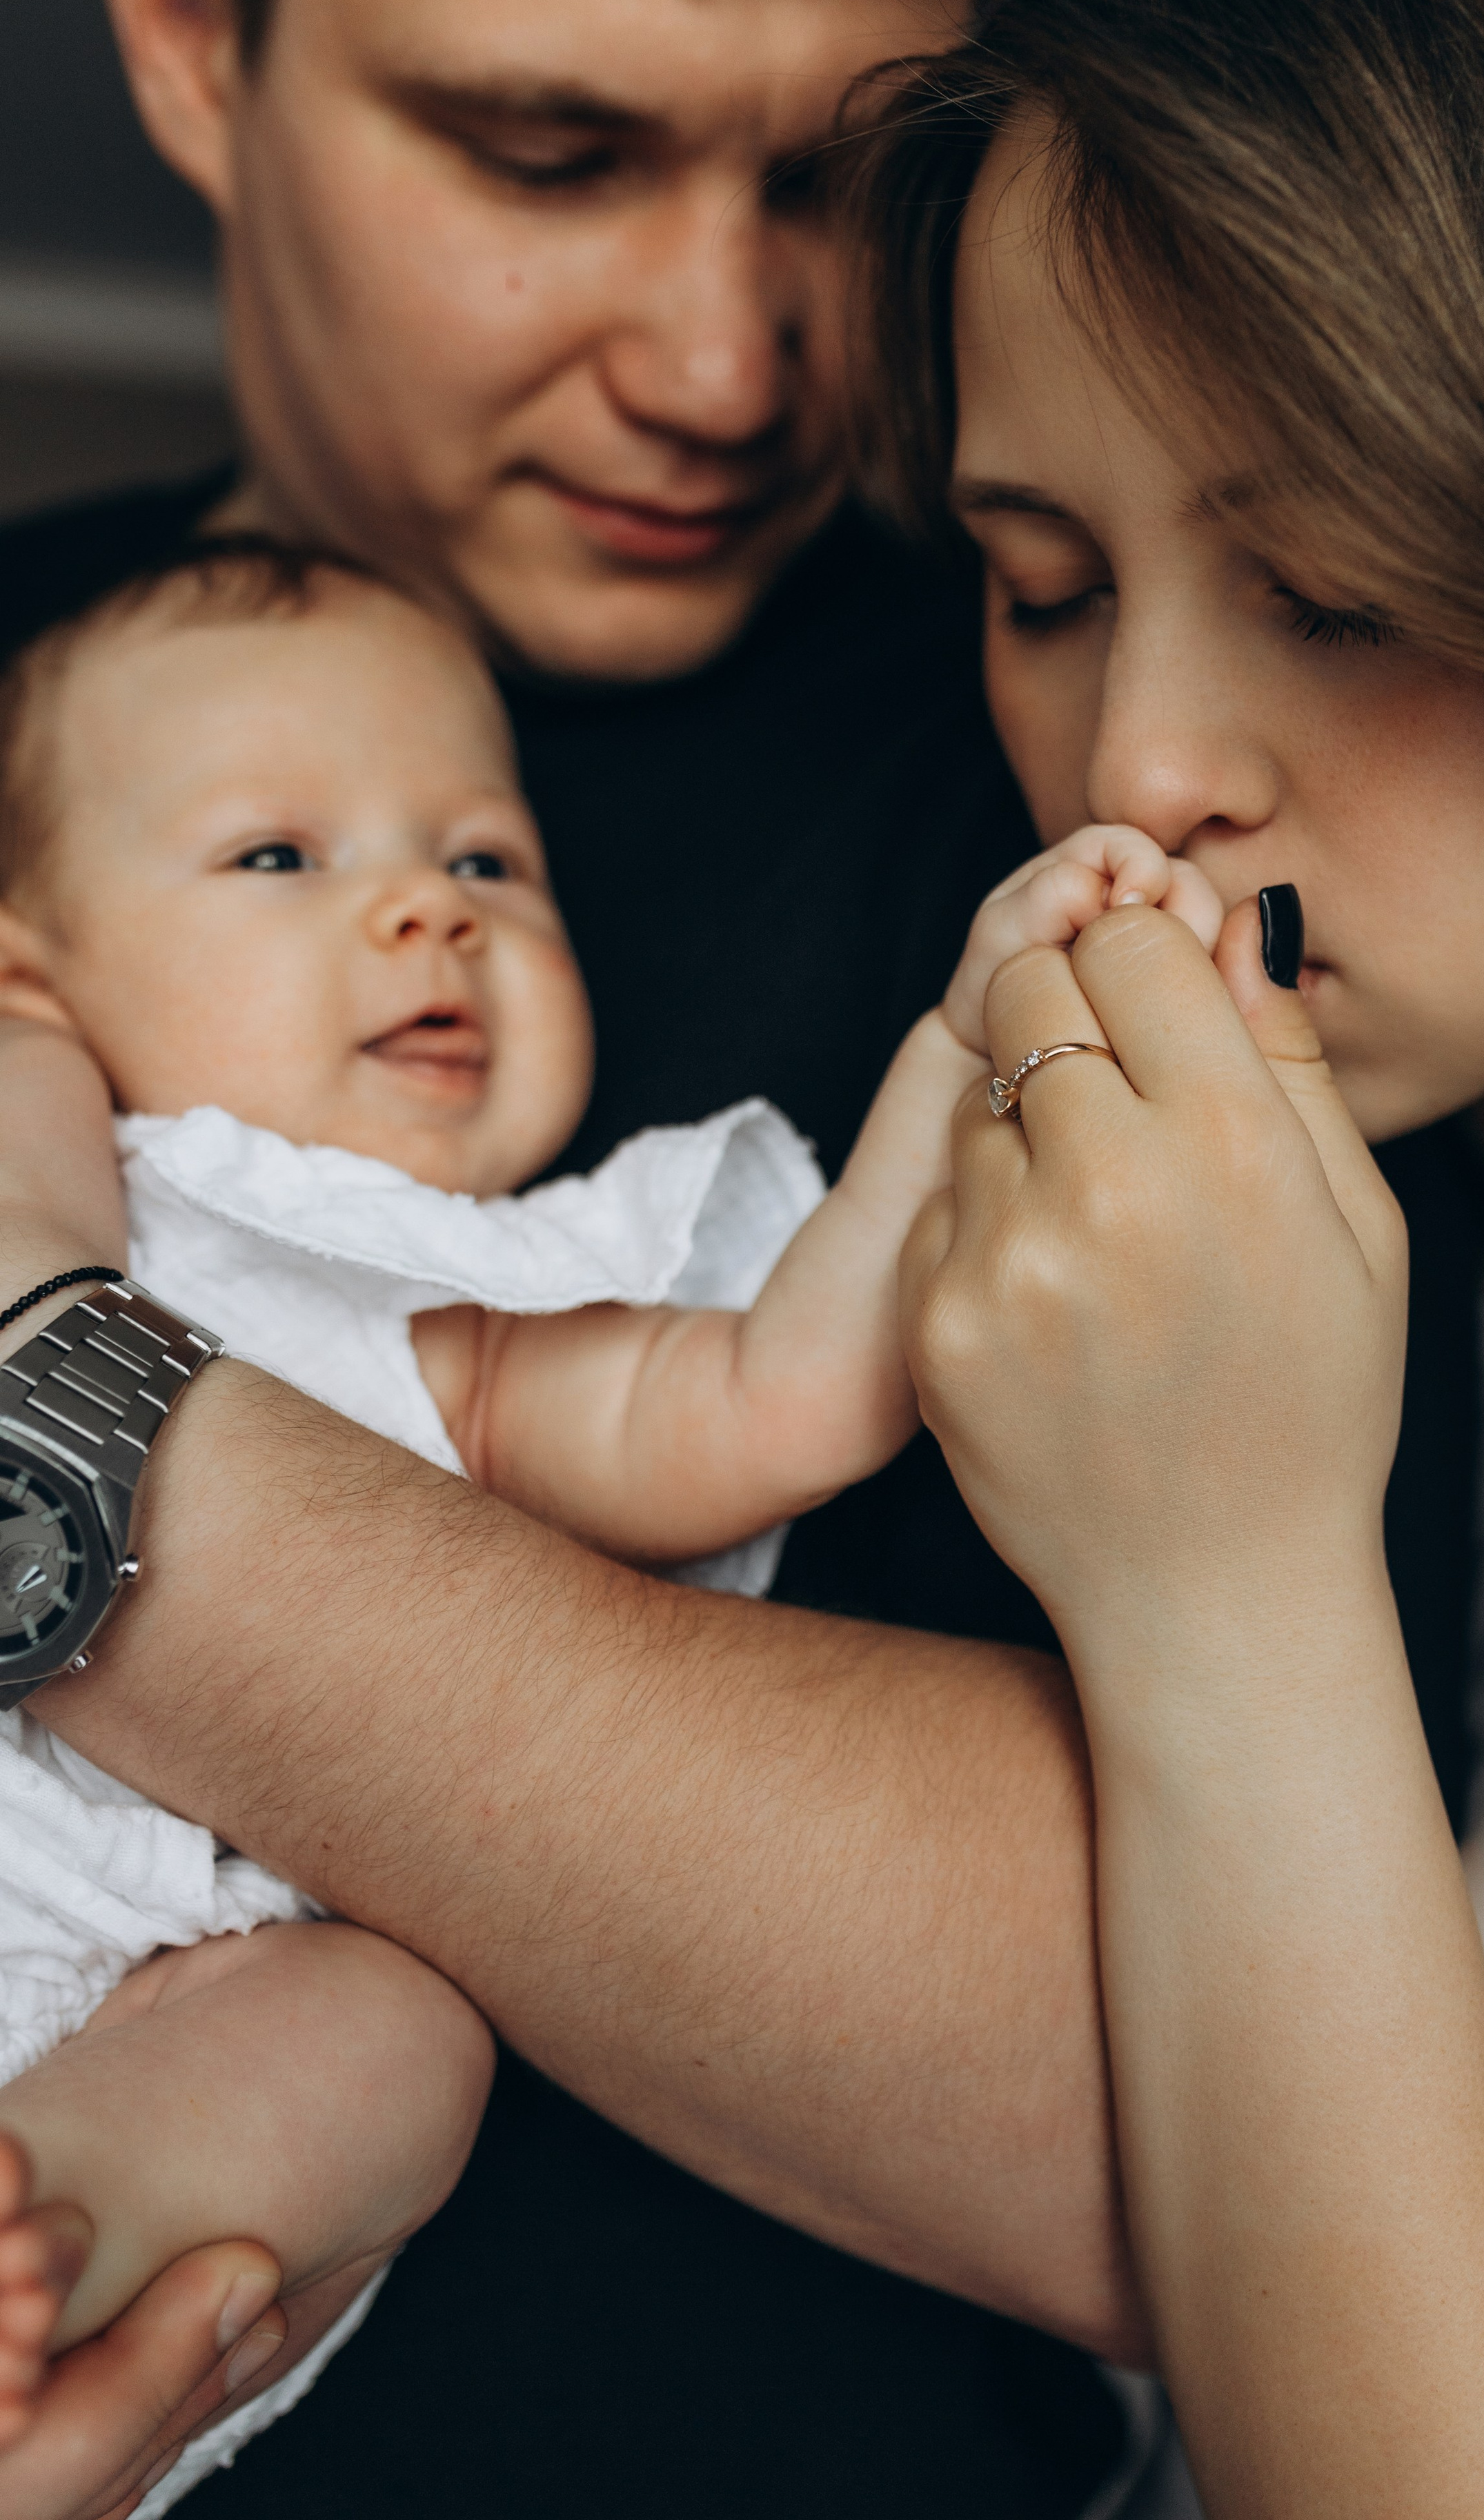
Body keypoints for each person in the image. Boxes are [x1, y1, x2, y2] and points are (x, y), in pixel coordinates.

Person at [0, 0, 1478, 2512]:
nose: (729, 367)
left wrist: (49, 1386)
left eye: (828, 181)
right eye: (547, 151)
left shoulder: (1126, 782)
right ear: (193, 33)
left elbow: (1188, 2107)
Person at [0, 535, 1225, 2506]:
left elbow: (777, 1399)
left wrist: (965, 1048)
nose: (428, 909)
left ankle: (56, 2230)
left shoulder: (486, 1307)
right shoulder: (100, 1166)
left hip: (140, 1999)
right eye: (278, 856)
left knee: (392, 2041)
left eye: (488, 860)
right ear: (28, 971)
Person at [862, 0, 1484, 2509]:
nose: (1140, 761)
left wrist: (1221, 1591)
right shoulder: (1388, 1237)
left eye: (1335, 594)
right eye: (1044, 587)